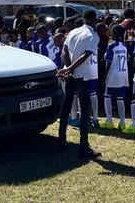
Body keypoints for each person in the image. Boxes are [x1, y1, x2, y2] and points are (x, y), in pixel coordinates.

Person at [56, 9, 100, 159]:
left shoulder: (73, 32)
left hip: (71, 76)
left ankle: (61, 140)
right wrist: (71, 69)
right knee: (85, 112)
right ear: (94, 20)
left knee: (66, 108)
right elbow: (85, 55)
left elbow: (64, 51)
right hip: (82, 77)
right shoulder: (93, 35)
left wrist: (68, 69)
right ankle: (83, 147)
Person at [101, 24, 130, 131]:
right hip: (123, 74)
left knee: (107, 96)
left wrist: (104, 78)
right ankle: (122, 122)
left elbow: (108, 63)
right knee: (120, 98)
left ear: (113, 33)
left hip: (113, 74)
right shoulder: (124, 46)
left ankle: (109, 121)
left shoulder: (111, 46)